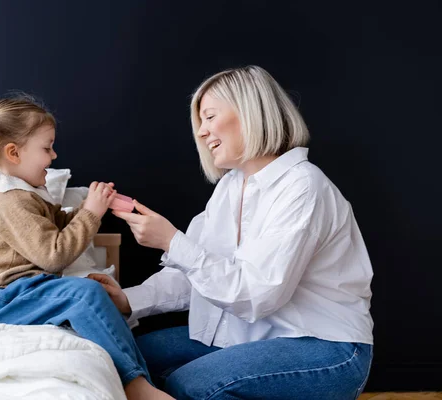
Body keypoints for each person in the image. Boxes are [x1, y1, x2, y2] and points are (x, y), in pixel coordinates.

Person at [89, 66, 374, 400]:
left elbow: (257, 295)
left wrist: (171, 241)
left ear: (251, 112)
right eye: (199, 122)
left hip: (327, 347)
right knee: (127, 359)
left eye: (209, 117)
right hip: (253, 338)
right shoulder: (231, 186)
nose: (201, 131)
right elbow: (197, 272)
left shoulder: (303, 186)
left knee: (193, 385)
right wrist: (128, 299)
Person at [0, 87, 173, 400]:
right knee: (85, 294)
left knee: (94, 296)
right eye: (47, 148)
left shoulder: (27, 195)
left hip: (28, 292)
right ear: (14, 153)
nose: (53, 156)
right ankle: (136, 386)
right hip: (5, 301)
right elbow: (54, 254)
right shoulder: (7, 200)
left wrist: (88, 210)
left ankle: (142, 381)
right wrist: (91, 214)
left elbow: (59, 235)